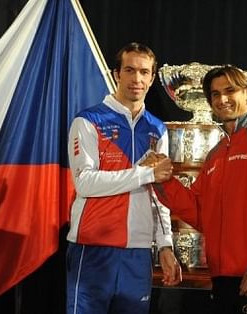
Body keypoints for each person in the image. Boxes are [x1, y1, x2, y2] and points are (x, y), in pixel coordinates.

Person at [150, 65, 247, 314]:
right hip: (222, 276)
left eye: (230, 91)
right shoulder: (217, 153)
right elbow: (199, 211)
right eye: (215, 94)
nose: (222, 99)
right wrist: (161, 179)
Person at [66, 42, 182, 314]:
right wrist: (146, 173)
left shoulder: (157, 128)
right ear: (116, 74)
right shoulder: (88, 120)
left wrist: (165, 245)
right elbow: (85, 183)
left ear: (153, 78)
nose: (137, 79)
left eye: (144, 72)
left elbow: (159, 194)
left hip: (139, 251)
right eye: (130, 70)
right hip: (92, 246)